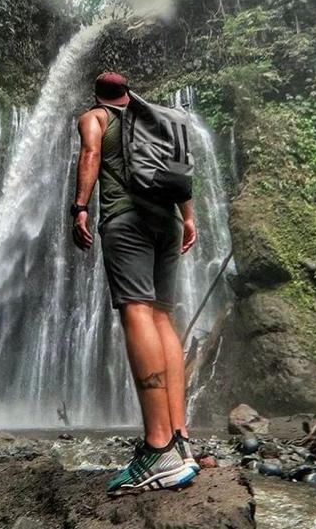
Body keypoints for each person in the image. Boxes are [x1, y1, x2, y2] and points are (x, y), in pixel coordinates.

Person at [71, 71, 199, 496]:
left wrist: (80, 208)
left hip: (127, 221)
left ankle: (158, 447)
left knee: (136, 312)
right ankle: (181, 441)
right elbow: (177, 167)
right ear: (128, 92)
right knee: (164, 318)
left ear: (98, 94)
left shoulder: (95, 118)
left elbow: (90, 155)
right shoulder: (154, 120)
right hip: (166, 222)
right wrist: (188, 217)